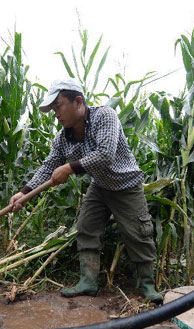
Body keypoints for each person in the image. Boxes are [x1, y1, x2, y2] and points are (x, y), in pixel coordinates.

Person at [9, 78, 162, 304]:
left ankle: (147, 284)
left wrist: (69, 168)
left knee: (139, 234)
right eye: (53, 110)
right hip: (100, 186)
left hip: (126, 185)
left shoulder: (105, 116)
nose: (56, 114)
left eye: (58, 106)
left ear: (78, 101)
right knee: (86, 228)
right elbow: (49, 166)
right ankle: (88, 281)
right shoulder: (63, 138)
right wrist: (25, 191)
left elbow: (105, 154)